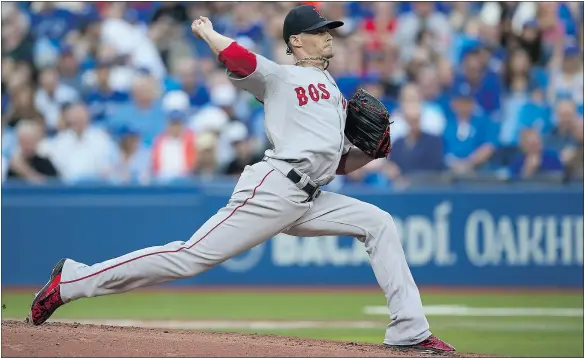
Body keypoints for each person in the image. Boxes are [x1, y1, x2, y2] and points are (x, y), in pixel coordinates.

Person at [28, 6, 455, 354]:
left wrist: (371, 153)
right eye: (320, 31)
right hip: (274, 188)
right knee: (189, 256)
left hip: (311, 194)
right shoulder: (280, 77)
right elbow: (241, 60)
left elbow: (340, 165)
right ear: (295, 41)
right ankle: (73, 280)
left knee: (378, 222)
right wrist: (209, 33)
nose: (329, 36)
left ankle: (409, 331)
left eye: (330, 31)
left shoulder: (333, 92)